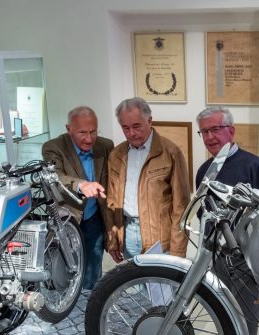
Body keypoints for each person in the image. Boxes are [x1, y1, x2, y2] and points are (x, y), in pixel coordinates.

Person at [194, 106, 259, 335]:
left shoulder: (254, 165)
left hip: (245, 255)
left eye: (215, 129)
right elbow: (203, 211)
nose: (210, 137)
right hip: (218, 254)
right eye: (204, 132)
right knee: (223, 307)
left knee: (245, 309)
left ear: (231, 130)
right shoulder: (204, 171)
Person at [104, 97, 191, 262]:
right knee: (134, 284)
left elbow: (182, 207)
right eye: (125, 128)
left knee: (161, 287)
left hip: (159, 239)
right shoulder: (116, 155)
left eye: (136, 126)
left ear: (149, 120)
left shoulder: (170, 152)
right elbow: (111, 201)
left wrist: (178, 251)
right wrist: (112, 239)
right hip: (126, 233)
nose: (131, 133)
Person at [41, 106, 114, 291]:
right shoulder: (53, 147)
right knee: (64, 270)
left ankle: (90, 306)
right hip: (67, 219)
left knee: (92, 271)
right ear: (69, 129)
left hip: (94, 219)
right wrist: (81, 185)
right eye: (82, 132)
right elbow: (56, 178)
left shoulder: (106, 146)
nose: (89, 139)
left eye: (93, 132)